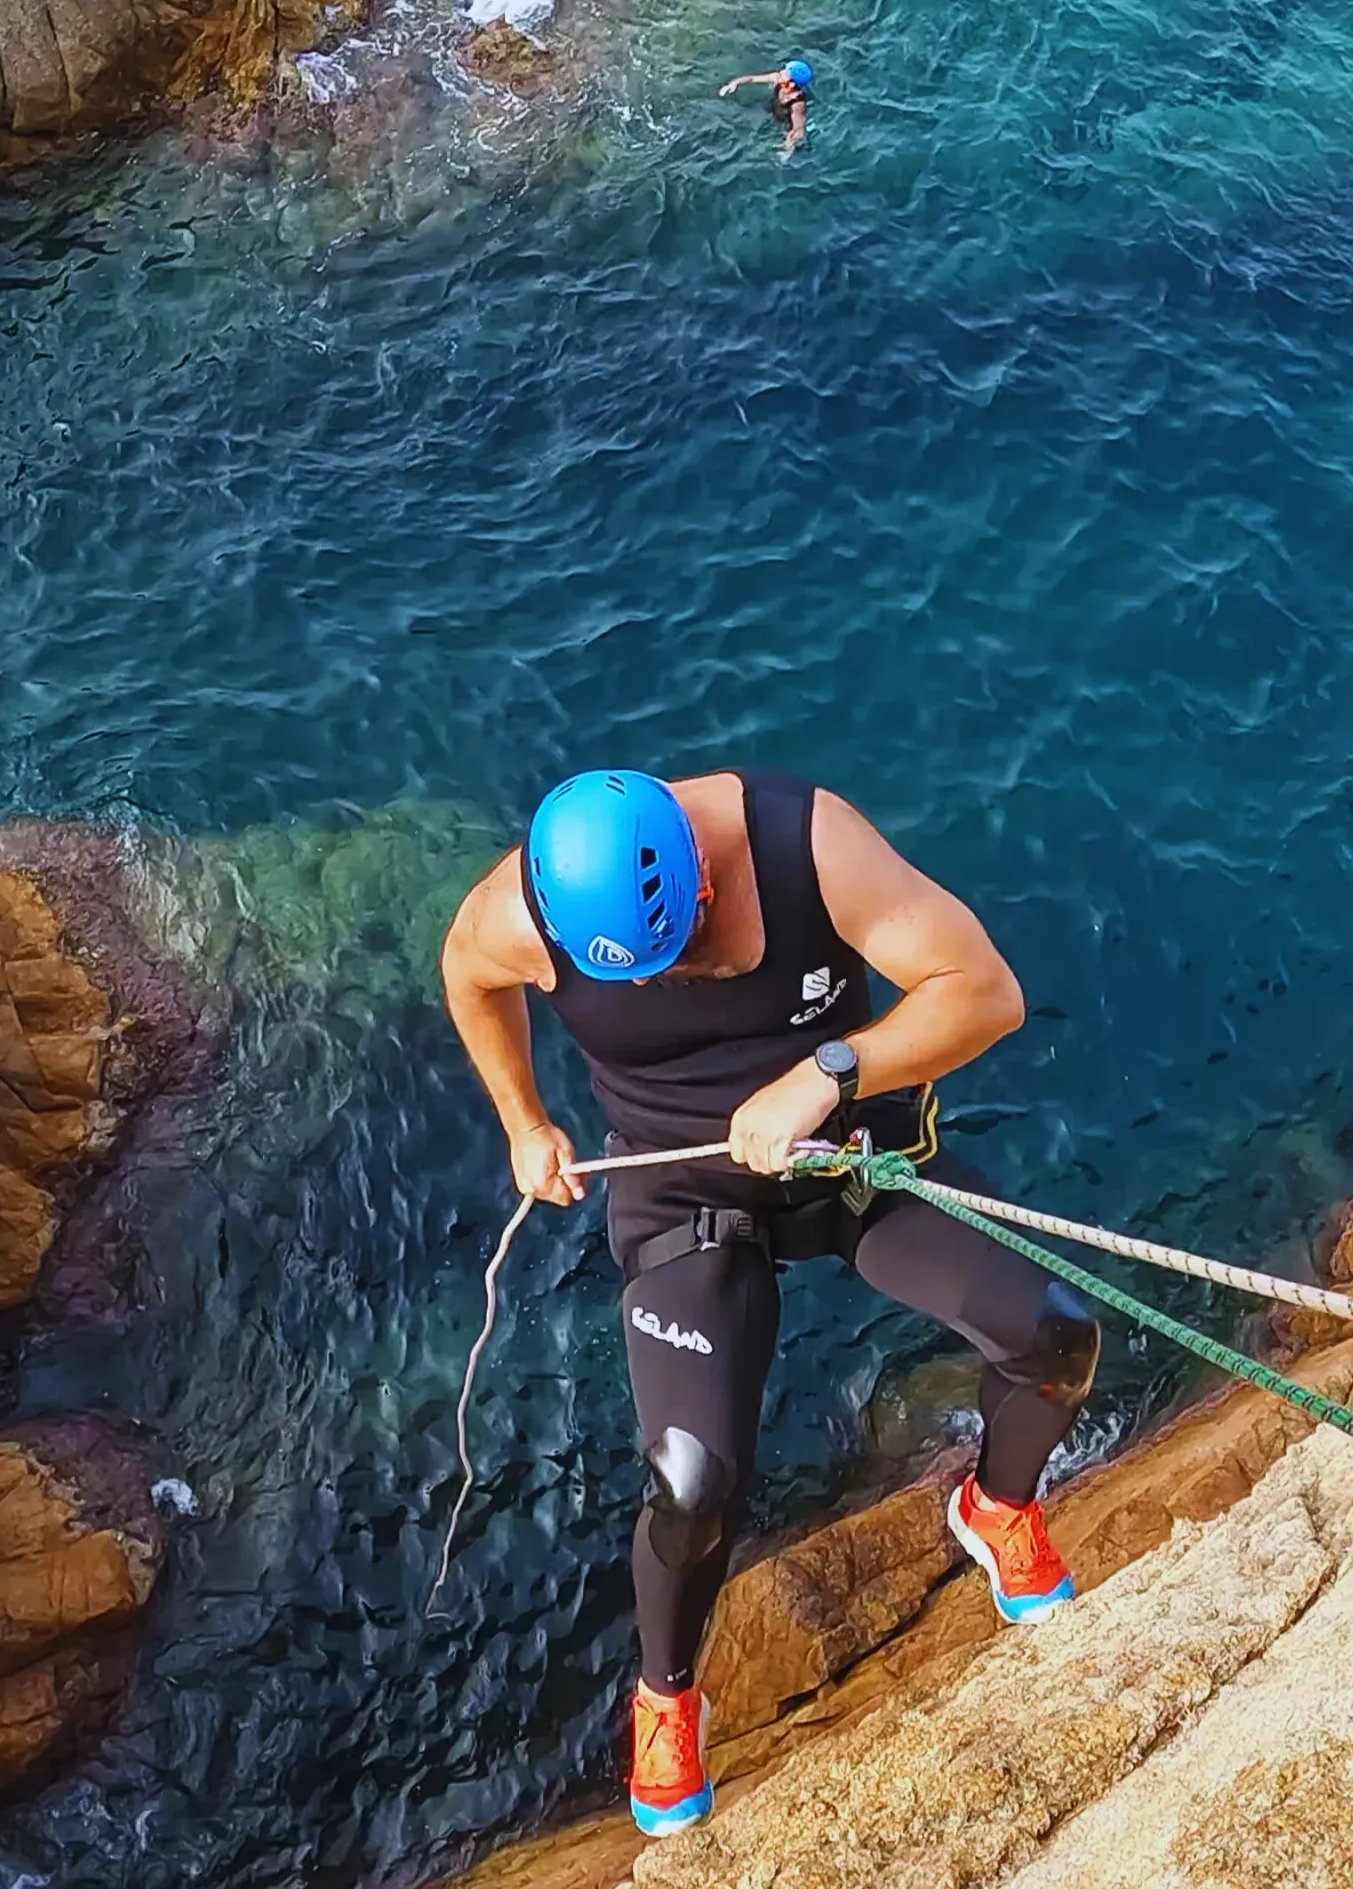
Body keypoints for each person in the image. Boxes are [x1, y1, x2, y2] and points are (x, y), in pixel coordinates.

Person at [441, 769, 1097, 1841]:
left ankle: (998, 1505)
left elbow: (984, 991)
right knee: (693, 1486)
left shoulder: (809, 844)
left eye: (689, 943)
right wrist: (523, 1121)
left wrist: (833, 1067)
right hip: (682, 1185)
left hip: (843, 1150)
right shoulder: (518, 911)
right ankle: (665, 1696)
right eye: (645, 975)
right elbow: (468, 977)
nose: (679, 978)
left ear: (700, 868)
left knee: (1058, 1335)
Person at [720, 59, 813, 157]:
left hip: (785, 120)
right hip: (773, 108)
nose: (781, 72)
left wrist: (788, 149)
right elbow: (752, 78)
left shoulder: (797, 104)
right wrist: (733, 83)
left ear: (792, 84)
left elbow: (798, 130)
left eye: (786, 73)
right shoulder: (777, 78)